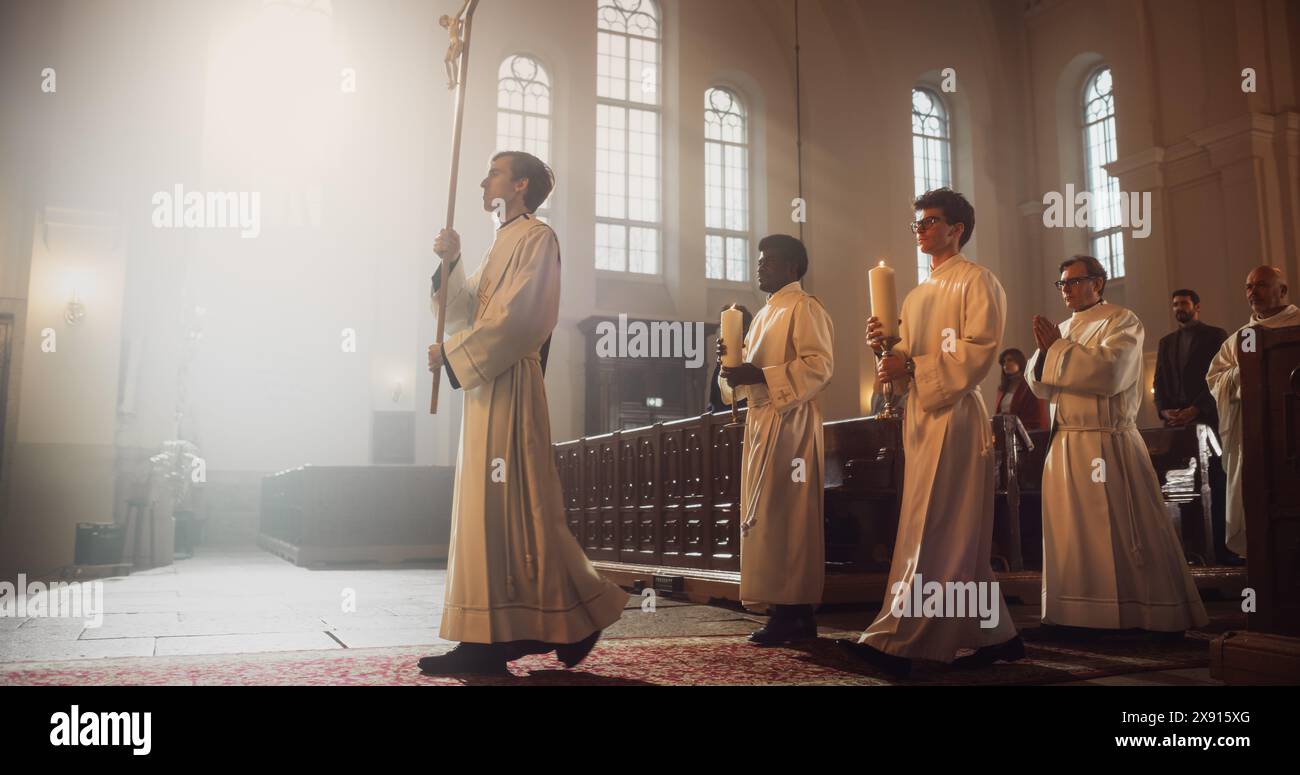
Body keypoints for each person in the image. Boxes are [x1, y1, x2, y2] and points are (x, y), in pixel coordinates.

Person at [420, 151, 628, 675]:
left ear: (520, 184)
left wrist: (454, 353)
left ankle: (557, 619)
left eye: (494, 171)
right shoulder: (498, 244)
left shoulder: (539, 238)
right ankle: (493, 633)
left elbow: (523, 320)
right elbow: (463, 311)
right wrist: (450, 262)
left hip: (511, 384)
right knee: (489, 515)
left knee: (521, 509)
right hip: (484, 390)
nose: (483, 179)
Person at [837, 188, 1021, 677]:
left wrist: (912, 363)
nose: (920, 230)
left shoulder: (978, 281)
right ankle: (996, 634)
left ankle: (905, 640)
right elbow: (901, 370)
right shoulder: (916, 295)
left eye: (930, 221)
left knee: (938, 527)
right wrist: (886, 351)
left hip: (957, 415)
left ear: (957, 229)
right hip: (922, 416)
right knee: (947, 527)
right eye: (916, 223)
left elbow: (979, 349)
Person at [1026, 255, 1208, 638]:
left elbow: (1109, 372)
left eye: (1075, 281)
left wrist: (1056, 350)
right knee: (1071, 532)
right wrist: (1047, 351)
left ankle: (1138, 612)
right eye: (1062, 284)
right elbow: (1039, 382)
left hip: (1106, 440)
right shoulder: (1061, 328)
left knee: (1116, 529)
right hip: (1067, 442)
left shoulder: (1121, 320)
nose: (1067, 290)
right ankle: (1072, 614)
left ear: (1099, 283)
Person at [716, 235, 834, 645]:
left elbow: (819, 367)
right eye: (759, 261)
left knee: (790, 516)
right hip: (762, 422)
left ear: (792, 268)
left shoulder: (805, 307)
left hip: (792, 423)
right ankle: (781, 610)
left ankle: (797, 613)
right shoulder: (765, 315)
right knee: (767, 517)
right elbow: (734, 390)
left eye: (769, 262)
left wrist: (760, 375)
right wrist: (730, 364)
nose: (760, 267)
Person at [1206, 265, 1300, 559]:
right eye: (1248, 287)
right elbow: (1215, 379)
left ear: (1282, 291)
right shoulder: (1239, 338)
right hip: (1256, 439)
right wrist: (1239, 375)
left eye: (1260, 285)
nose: (1252, 293)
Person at [1152, 288, 1231, 562]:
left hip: (1207, 422)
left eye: (1183, 303)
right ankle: (1186, 551)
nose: (1178, 308)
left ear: (1197, 306)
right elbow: (1158, 382)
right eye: (1174, 304)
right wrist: (1164, 411)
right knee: (1178, 488)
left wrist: (1196, 409)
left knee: (1215, 485)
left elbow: (1219, 378)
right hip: (1175, 428)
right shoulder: (1166, 341)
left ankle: (1220, 552)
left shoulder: (1215, 336)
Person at [706, 304, 752, 413]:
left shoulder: (752, 357)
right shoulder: (722, 359)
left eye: (728, 326)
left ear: (744, 328)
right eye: (723, 327)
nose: (723, 332)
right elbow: (714, 400)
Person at [992, 348, 1048, 430]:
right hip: (1006, 434)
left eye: (1010, 360)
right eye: (1004, 362)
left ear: (1019, 362)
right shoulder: (1002, 389)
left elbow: (1037, 416)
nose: (1005, 364)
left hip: (1027, 432)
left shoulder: (1030, 386)